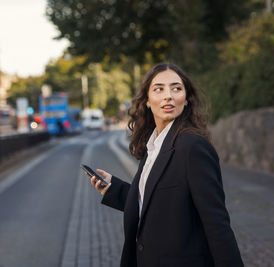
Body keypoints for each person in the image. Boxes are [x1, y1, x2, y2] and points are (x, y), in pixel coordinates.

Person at [87, 63, 243, 267]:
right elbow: (157, 203)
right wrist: (114, 190)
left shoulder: (192, 147)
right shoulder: (154, 146)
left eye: (176, 88)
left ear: (186, 100)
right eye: (158, 89)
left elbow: (216, 223)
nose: (168, 95)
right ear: (147, 101)